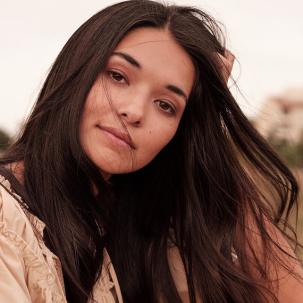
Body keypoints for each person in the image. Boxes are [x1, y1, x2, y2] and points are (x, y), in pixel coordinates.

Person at [0, 0, 302, 302]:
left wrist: (209, 125)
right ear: (78, 69)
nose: (134, 111)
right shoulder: (7, 221)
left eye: (166, 105)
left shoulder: (132, 236)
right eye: (117, 76)